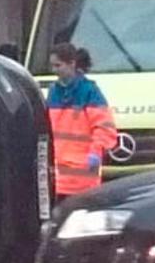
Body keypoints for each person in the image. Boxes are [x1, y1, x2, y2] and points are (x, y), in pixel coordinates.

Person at [47, 43, 117, 202]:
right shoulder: (53, 91)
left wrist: (95, 151)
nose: (54, 70)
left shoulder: (89, 91)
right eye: (52, 66)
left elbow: (105, 128)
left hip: (83, 175)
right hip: (60, 176)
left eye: (58, 65)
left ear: (72, 63)